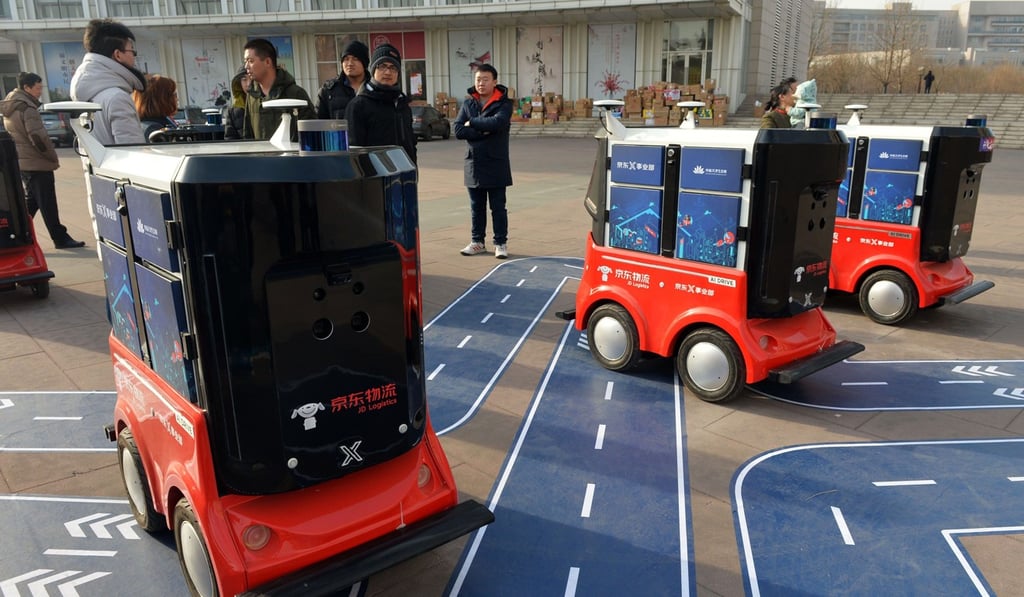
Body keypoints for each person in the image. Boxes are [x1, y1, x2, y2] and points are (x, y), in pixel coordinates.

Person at [0, 72, 85, 249]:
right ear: (27, 88)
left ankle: (15, 233)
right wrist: (51, 155)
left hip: (24, 161)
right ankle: (59, 238)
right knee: (47, 203)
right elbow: (38, 138)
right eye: (38, 88)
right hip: (36, 162)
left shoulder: (11, 105)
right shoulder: (27, 108)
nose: (40, 92)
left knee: (32, 202)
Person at [453, 64, 513, 259]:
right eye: (478, 79)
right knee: (475, 207)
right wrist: (484, 130)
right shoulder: (468, 103)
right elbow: (459, 130)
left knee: (498, 207)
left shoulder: (504, 103)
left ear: (494, 81)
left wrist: (474, 123)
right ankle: (477, 241)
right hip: (474, 163)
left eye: (485, 79)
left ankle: (500, 243)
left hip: (496, 162)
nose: (481, 83)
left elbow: (499, 123)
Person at [70, 18, 146, 145]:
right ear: (118, 55)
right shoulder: (117, 98)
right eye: (132, 50)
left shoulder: (86, 95)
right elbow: (133, 154)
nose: (133, 56)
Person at [345, 43, 416, 164]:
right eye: (382, 66)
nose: (388, 72)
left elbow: (411, 144)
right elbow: (353, 151)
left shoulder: (402, 104)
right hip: (374, 177)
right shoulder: (359, 105)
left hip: (405, 174)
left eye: (393, 68)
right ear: (373, 70)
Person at [241, 38, 315, 141]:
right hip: (261, 155)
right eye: (245, 61)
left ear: (267, 62)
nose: (246, 66)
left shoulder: (295, 93)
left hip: (290, 155)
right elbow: (248, 134)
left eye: (251, 61)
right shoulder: (252, 95)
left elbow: (312, 133)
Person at [317, 40, 369, 120]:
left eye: (355, 59)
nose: (350, 63)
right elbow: (318, 123)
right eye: (346, 59)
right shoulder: (328, 90)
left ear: (364, 62)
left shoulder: (375, 88)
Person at [134, 74, 178, 141]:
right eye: (173, 94)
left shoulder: (141, 124)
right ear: (161, 99)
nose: (176, 98)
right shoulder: (155, 129)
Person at [222, 66, 249, 140]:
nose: (248, 84)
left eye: (251, 79)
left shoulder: (266, 103)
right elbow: (230, 141)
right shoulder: (233, 111)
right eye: (244, 80)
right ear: (239, 83)